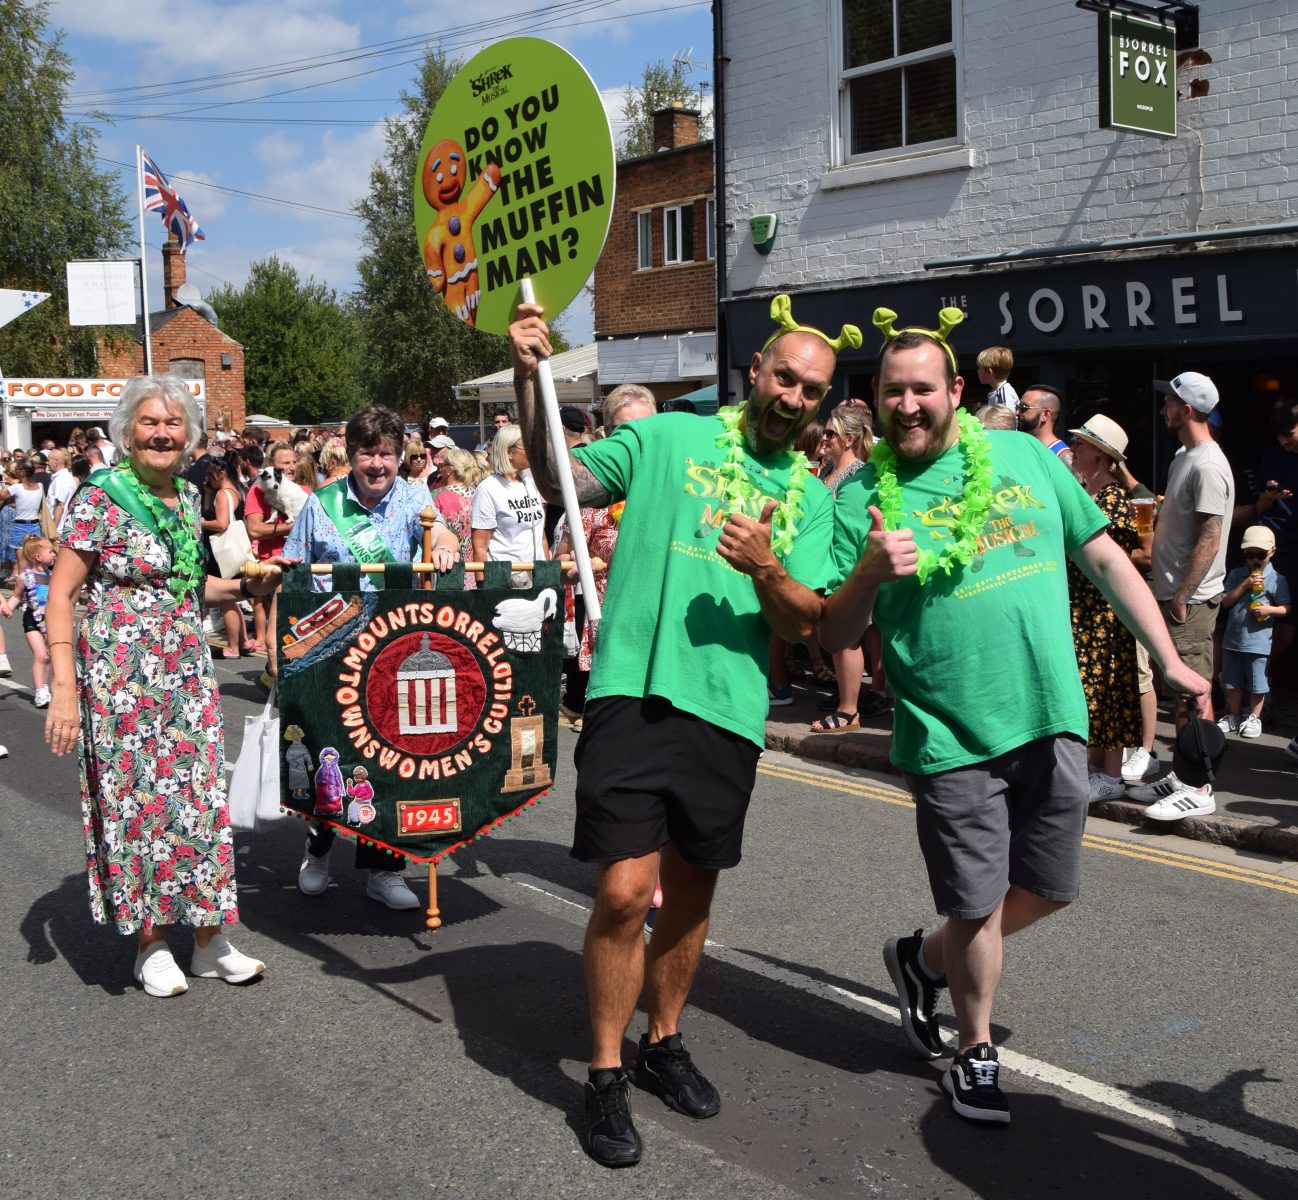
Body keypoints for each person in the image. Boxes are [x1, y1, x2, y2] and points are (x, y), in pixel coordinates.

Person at [820, 307, 1209, 1126]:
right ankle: (974, 1050)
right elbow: (834, 631)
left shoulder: (1026, 456)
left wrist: (1169, 658)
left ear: (955, 390)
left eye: (923, 389)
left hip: (1051, 711)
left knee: (1051, 888)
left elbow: (1102, 556)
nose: (908, 405)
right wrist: (866, 573)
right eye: (892, 392)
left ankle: (920, 961)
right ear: (877, 398)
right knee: (974, 903)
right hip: (948, 730)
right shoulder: (859, 495)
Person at [511, 293, 850, 1167]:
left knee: (692, 893)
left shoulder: (810, 500)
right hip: (632, 688)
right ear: (755, 371)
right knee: (627, 892)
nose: (793, 396)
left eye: (811, 390)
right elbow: (559, 479)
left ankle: (662, 1042)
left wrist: (766, 566)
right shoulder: (666, 438)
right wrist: (525, 374)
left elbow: (806, 620)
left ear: (822, 402)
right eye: (784, 376)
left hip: (727, 710)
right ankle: (605, 1073)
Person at [43, 375, 278, 997]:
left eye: (174, 424)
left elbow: (185, 586)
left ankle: (208, 940)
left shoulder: (185, 496)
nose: (162, 433)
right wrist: (62, 688)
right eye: (149, 422)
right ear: (127, 431)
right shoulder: (100, 497)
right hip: (119, 679)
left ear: (189, 436)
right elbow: (61, 596)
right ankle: (150, 943)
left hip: (185, 673)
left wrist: (246, 587)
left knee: (198, 801)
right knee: (136, 805)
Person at [284, 405, 461, 910]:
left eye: (386, 453)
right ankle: (318, 851)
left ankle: (385, 869)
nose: (377, 464)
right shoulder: (322, 504)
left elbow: (441, 532)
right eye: (368, 454)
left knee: (388, 761)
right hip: (331, 650)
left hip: (391, 650)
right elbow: (294, 568)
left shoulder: (415, 497)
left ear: (399, 454)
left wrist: (445, 546)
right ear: (352, 455)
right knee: (328, 753)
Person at [1148, 371, 1233, 744]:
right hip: (1176, 596)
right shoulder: (1185, 457)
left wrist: (1182, 598)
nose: (1162, 409)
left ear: (1186, 410)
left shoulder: (1208, 465)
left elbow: (1210, 538)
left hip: (1192, 601)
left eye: (1168, 402)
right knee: (1184, 694)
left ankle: (1197, 774)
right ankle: (1186, 770)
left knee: (1193, 694)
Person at [1066, 416, 1144, 801]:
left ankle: (1111, 776)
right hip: (1084, 608)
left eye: (1081, 443)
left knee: (1109, 690)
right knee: (1089, 691)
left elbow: (1115, 558)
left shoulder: (1114, 498)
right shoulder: (1088, 492)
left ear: (1100, 454)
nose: (1074, 447)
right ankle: (1097, 768)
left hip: (1103, 611)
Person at [810, 404, 875, 732]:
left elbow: (854, 529)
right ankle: (846, 700)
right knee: (839, 637)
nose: (824, 437)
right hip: (829, 563)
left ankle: (849, 710)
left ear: (849, 439)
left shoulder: (859, 474)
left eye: (830, 433)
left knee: (848, 637)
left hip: (846, 567)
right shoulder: (828, 471)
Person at [1233, 398, 1298, 665]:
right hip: (1272, 547)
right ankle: (1256, 673)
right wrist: (1269, 496)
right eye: (1279, 436)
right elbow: (1259, 506)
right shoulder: (1273, 456)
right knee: (1260, 613)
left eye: (1289, 434)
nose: (1284, 441)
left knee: (1289, 621)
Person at [1218, 526, 1291, 738]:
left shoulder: (1276, 579)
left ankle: (1254, 717)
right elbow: (1225, 601)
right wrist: (1244, 585)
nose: (1255, 559)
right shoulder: (1237, 574)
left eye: (1261, 554)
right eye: (1250, 555)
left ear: (1272, 552)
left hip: (1259, 642)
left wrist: (1270, 610)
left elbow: (1287, 608)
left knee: (1257, 683)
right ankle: (1233, 715)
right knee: (1232, 681)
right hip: (1233, 640)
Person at [470, 424, 547, 587]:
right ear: (508, 452)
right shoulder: (488, 489)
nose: (532, 451)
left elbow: (541, 536)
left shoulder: (531, 482)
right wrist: (483, 587)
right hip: (504, 581)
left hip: (537, 577)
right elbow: (480, 546)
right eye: (526, 447)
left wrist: (548, 575)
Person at [244, 440, 299, 655]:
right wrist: (293, 527)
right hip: (274, 565)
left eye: (294, 462)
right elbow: (254, 530)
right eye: (285, 463)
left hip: (302, 565)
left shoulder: (301, 488)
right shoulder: (257, 491)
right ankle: (274, 669)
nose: (291, 467)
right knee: (278, 631)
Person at [199, 457, 252, 658]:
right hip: (231, 551)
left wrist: (200, 522)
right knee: (232, 599)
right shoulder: (235, 491)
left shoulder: (223, 494)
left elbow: (222, 524)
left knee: (226, 602)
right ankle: (243, 642)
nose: (207, 478)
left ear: (221, 474)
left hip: (222, 553)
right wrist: (208, 493)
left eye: (210, 474)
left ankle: (232, 647)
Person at [1, 533, 54, 705]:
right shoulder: (25, 577)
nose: (54, 554)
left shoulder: (53, 576)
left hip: (50, 620)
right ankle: (40, 692)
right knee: (40, 655)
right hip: (32, 620)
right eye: (51, 552)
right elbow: (16, 596)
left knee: (48, 656)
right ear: (38, 556)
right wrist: (8, 607)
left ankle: (44, 686)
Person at [432, 447, 484, 587]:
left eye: (442, 465)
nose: (440, 469)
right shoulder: (480, 494)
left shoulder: (436, 496)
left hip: (446, 567)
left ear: (449, 470)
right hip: (476, 569)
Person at [1016, 384, 1073, 469]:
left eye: (1024, 408)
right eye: (1017, 407)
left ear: (1045, 414)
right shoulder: (1024, 449)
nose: (1017, 412)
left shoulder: (1063, 458)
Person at [975, 345, 1019, 413]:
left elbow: (1006, 419)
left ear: (989, 371)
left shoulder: (1003, 394)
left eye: (980, 368)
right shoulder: (998, 392)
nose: (977, 371)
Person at [45, 449, 77, 528]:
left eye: (48, 460)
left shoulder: (61, 480)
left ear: (56, 461)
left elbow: (60, 506)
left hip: (59, 528)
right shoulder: (63, 477)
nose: (46, 463)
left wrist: (53, 530)